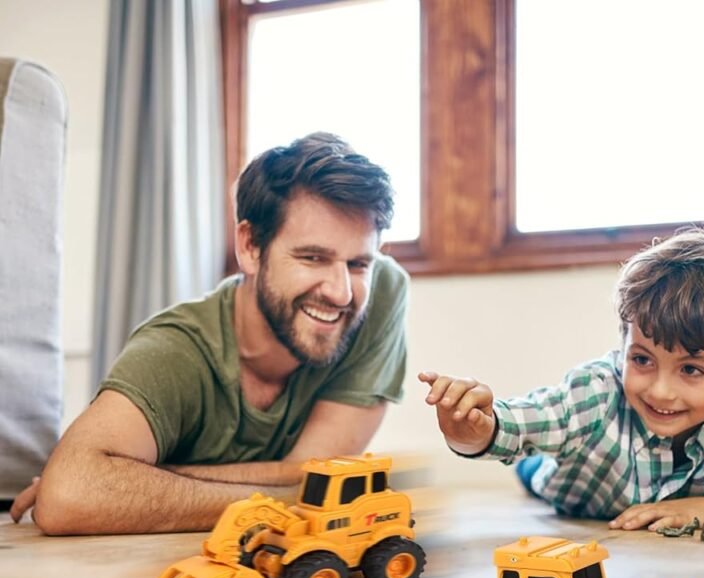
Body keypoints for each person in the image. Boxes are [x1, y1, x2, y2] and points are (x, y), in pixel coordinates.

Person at [12, 132, 408, 534]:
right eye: (312, 257)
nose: (341, 292)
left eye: (358, 264)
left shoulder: (380, 294)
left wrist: (142, 476)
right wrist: (291, 499)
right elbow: (69, 496)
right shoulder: (174, 351)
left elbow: (315, 472)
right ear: (250, 246)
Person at [420, 223, 704, 531]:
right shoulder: (598, 393)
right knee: (534, 463)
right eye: (642, 360)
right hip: (566, 485)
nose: (660, 390)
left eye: (691, 369)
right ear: (623, 346)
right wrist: (472, 432)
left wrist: (701, 510)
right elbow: (517, 422)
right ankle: (532, 468)